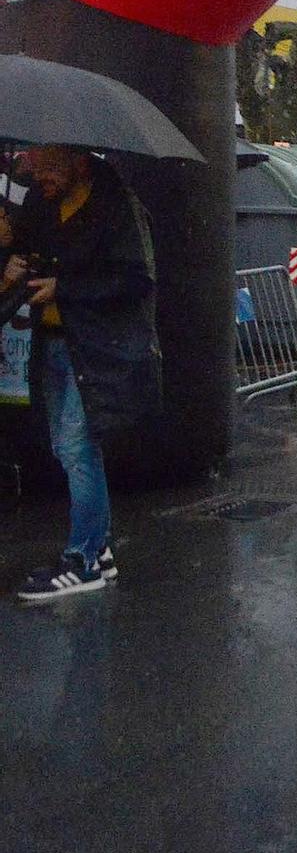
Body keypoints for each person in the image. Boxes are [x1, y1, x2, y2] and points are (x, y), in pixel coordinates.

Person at [5, 147, 160, 601]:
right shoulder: (42, 201)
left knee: (76, 446)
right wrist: (13, 261)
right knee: (67, 446)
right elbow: (27, 248)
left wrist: (64, 288)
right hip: (54, 342)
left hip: (97, 349)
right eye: (35, 167)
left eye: (50, 168)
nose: (41, 177)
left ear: (79, 163)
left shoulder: (117, 206)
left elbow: (136, 279)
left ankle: (84, 560)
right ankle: (98, 547)